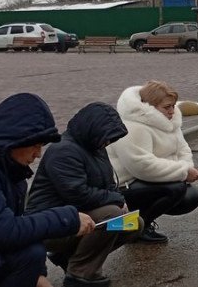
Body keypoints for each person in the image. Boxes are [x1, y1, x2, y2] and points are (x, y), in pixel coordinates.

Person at [0, 93, 95, 287]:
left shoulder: (10, 169)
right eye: (35, 145)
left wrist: (37, 275)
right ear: (15, 139)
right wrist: (67, 218)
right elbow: (3, 231)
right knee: (29, 253)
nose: (38, 154)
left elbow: (17, 230)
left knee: (32, 251)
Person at [27, 102, 141, 287]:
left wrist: (120, 202)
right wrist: (117, 200)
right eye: (107, 138)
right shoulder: (63, 151)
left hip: (80, 217)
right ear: (92, 129)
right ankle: (81, 274)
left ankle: (68, 257)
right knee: (112, 215)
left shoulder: (96, 147)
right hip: (51, 223)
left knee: (133, 223)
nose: (108, 142)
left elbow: (109, 184)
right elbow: (78, 194)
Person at [107, 81, 198, 245]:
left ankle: (142, 222)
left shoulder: (168, 120)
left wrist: (186, 168)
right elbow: (142, 166)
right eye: (167, 107)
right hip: (124, 187)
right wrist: (183, 172)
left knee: (190, 195)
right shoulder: (132, 127)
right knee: (176, 190)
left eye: (173, 106)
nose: (172, 111)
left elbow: (183, 149)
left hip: (145, 182)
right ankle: (135, 228)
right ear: (150, 107)